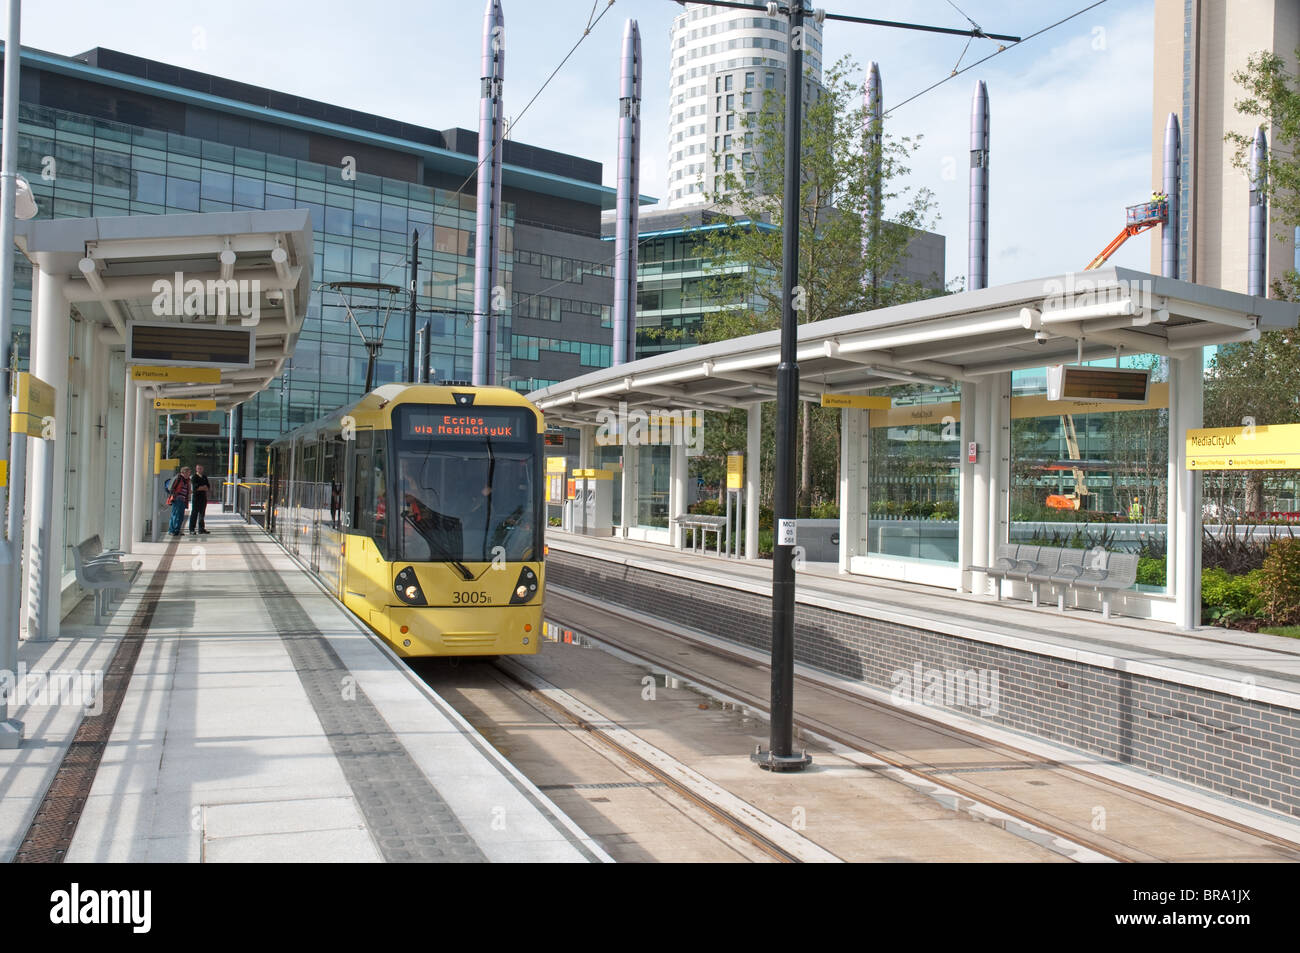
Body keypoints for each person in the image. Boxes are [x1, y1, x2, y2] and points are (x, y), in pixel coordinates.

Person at [167, 466, 192, 537]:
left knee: (180, 516)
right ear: (184, 472)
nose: (189, 475)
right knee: (175, 515)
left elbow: (188, 490)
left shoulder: (187, 480)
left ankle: (177, 530)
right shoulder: (178, 478)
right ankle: (172, 530)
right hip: (177, 499)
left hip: (183, 500)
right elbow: (171, 488)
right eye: (188, 473)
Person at [188, 464, 211, 535]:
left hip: (203, 498)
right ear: (196, 469)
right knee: (194, 513)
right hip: (196, 498)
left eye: (201, 468)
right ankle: (192, 529)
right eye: (198, 468)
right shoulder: (194, 477)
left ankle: (201, 529)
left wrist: (202, 487)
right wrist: (202, 487)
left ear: (203, 469)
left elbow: (208, 487)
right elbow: (196, 487)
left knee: (202, 514)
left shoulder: (204, 477)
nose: (200, 470)